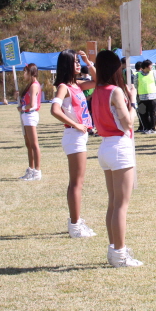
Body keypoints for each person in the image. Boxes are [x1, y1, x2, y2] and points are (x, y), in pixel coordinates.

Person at [92, 50, 143, 267]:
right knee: (120, 205)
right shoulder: (115, 91)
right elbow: (128, 122)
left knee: (113, 203)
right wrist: (133, 101)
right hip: (119, 146)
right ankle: (120, 253)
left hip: (105, 146)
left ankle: (115, 249)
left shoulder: (97, 90)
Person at [50, 50, 100, 238]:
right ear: (66, 64)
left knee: (78, 182)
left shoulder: (77, 84)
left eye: (79, 62)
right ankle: (75, 225)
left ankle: (76, 221)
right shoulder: (64, 87)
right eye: (76, 61)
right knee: (76, 183)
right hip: (73, 135)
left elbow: (98, 80)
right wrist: (76, 124)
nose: (79, 65)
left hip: (79, 136)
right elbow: (54, 110)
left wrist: (88, 62)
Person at [17, 63, 42, 180]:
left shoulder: (34, 86)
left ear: (30, 72)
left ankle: (37, 171)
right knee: (28, 144)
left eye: (25, 71)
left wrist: (22, 108)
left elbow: (32, 104)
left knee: (34, 144)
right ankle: (31, 169)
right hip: (26, 115)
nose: (23, 74)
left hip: (30, 115)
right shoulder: (30, 85)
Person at [136, 59, 156, 134]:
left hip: (153, 96)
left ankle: (152, 128)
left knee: (152, 113)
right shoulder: (138, 75)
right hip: (142, 97)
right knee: (143, 113)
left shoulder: (153, 73)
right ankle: (146, 128)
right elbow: (136, 85)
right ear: (145, 67)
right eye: (150, 65)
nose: (151, 67)